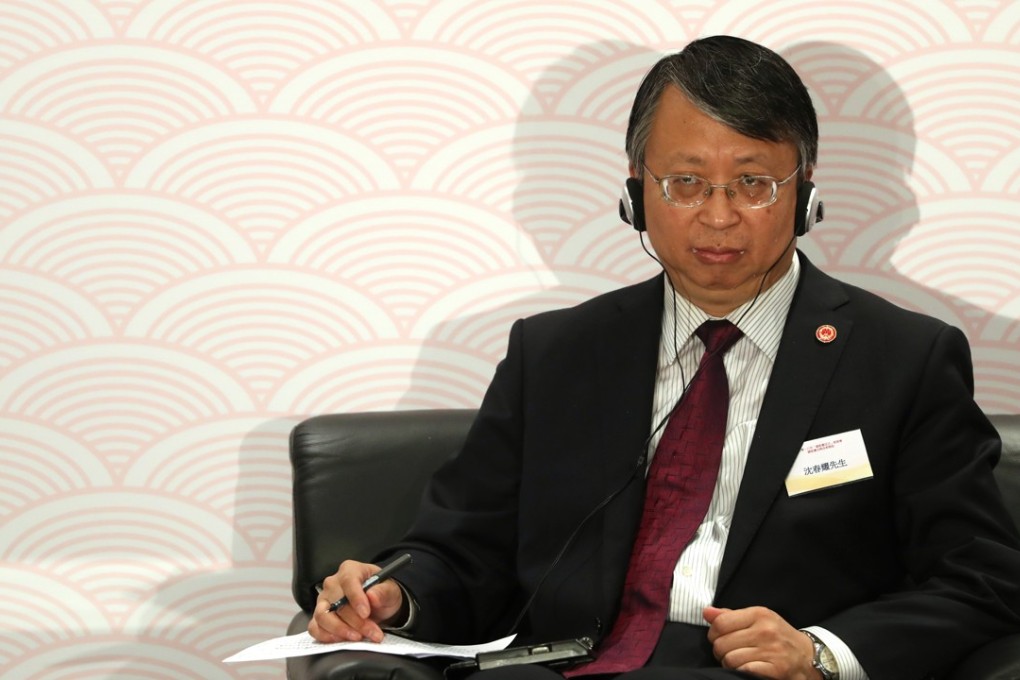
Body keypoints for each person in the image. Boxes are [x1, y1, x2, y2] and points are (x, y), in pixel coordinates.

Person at [308, 36, 1020, 679]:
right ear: (635, 190)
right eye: (685, 183)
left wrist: (821, 651)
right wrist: (396, 596)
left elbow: (983, 578)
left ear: (804, 189)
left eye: (752, 183)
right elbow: (465, 552)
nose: (717, 216)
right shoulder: (554, 354)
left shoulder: (903, 360)